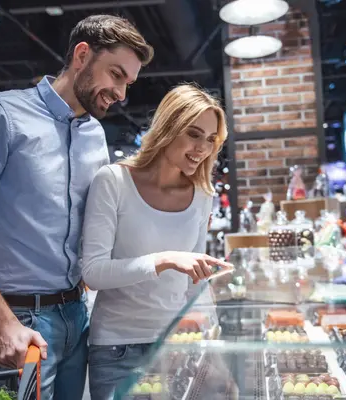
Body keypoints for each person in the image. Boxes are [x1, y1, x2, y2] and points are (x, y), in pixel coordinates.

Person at [0, 15, 153, 399]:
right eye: (115, 75)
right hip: (19, 319)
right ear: (82, 55)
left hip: (76, 314)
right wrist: (1, 322)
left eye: (127, 83)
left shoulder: (94, 135)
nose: (120, 94)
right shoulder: (0, 113)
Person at [81, 83, 234, 399]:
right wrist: (164, 260)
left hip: (179, 345)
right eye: (194, 134)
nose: (203, 148)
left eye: (211, 139)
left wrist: (214, 346)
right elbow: (93, 273)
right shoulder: (113, 181)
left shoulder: (201, 195)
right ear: (168, 128)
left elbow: (197, 282)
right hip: (117, 349)